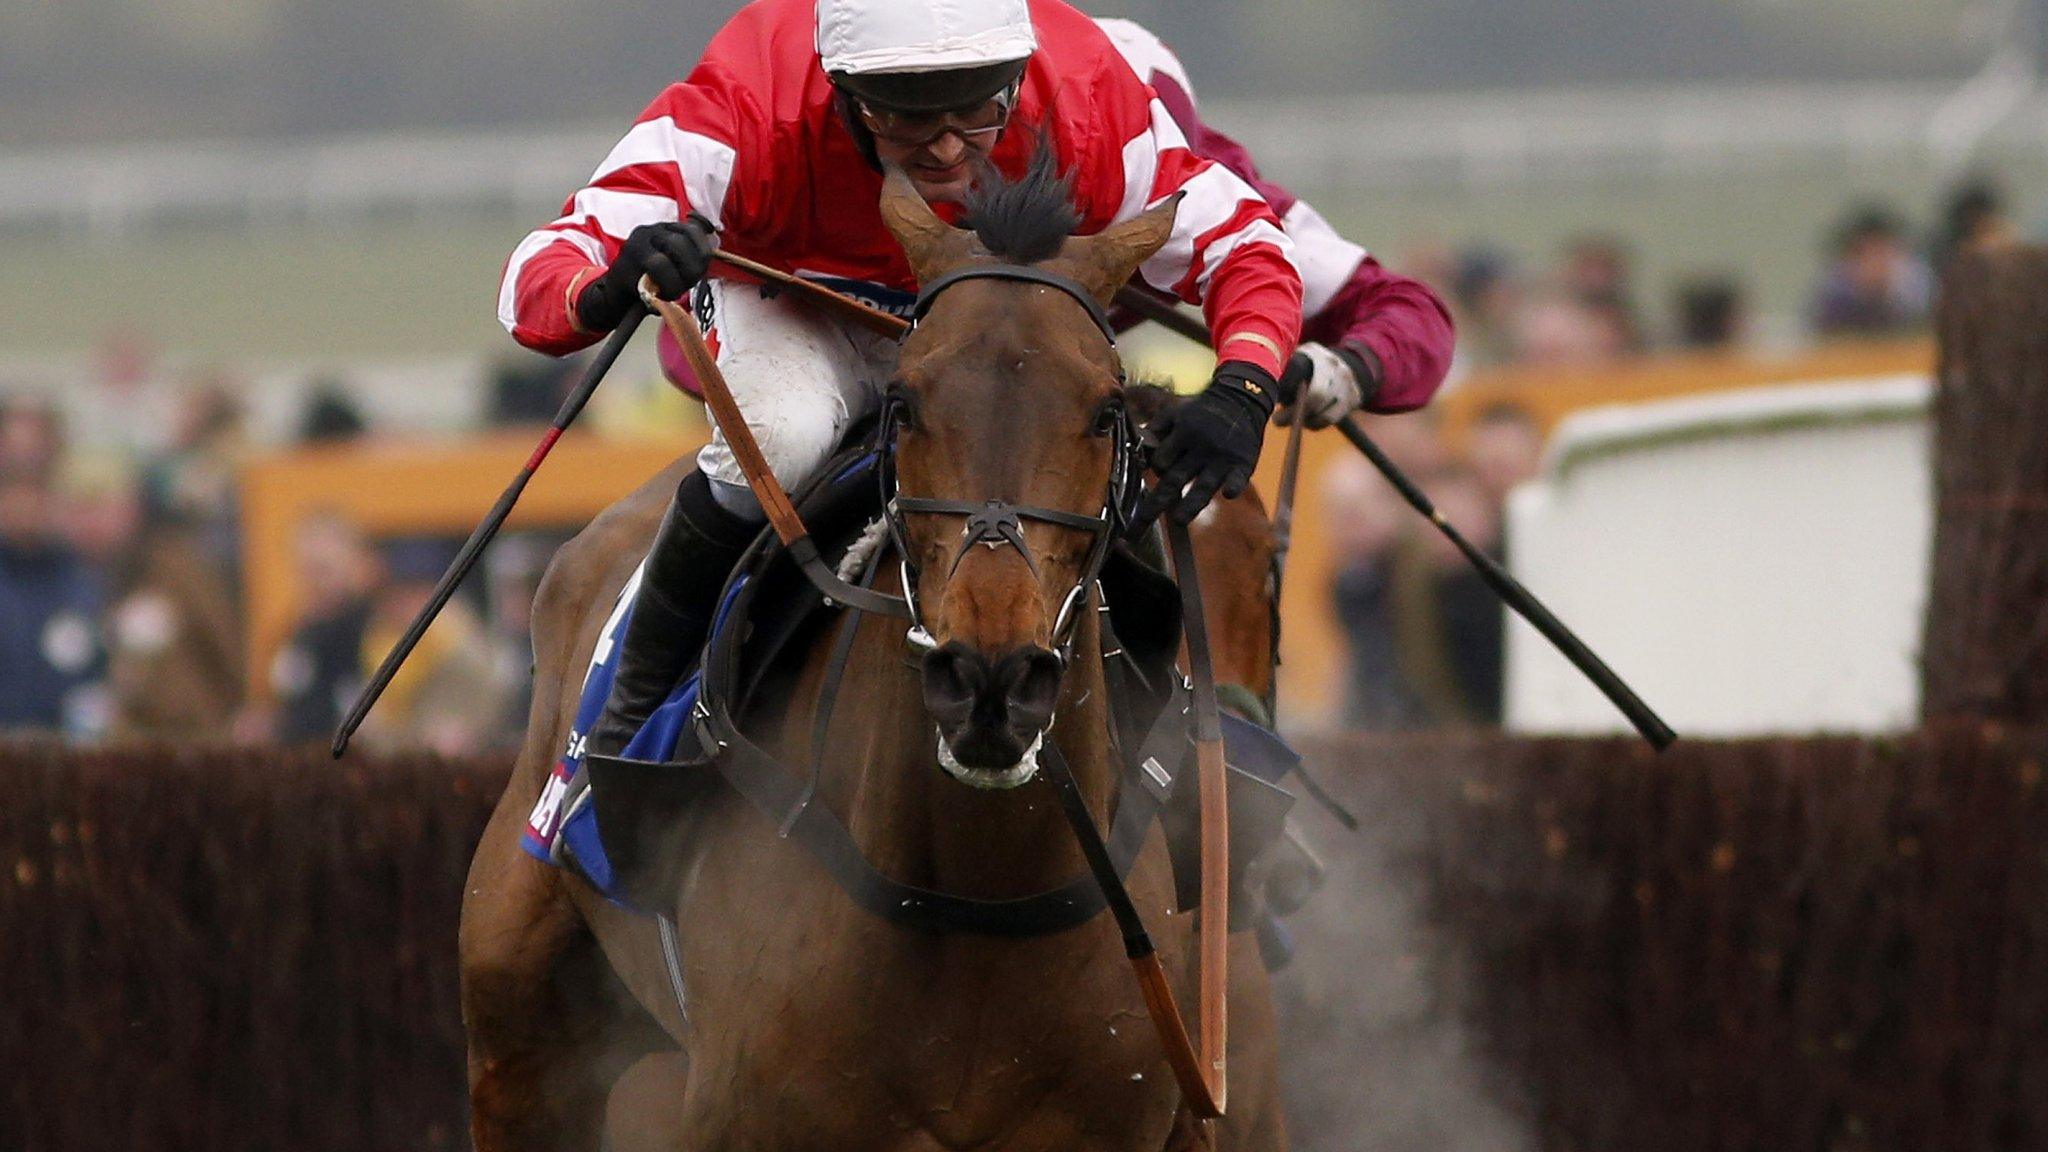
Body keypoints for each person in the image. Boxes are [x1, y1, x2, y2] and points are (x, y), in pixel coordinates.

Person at [499, 0, 1306, 761]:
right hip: (799, 313)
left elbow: (1245, 241)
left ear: (1019, 78)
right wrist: (605, 286)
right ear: (842, 91)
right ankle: (627, 717)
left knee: (1094, 447)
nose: (949, 148)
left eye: (977, 108)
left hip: (986, 334)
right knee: (783, 440)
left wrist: (1243, 387)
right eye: (906, 114)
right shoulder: (752, 96)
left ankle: (1177, 741)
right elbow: (539, 270)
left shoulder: (1088, 94)